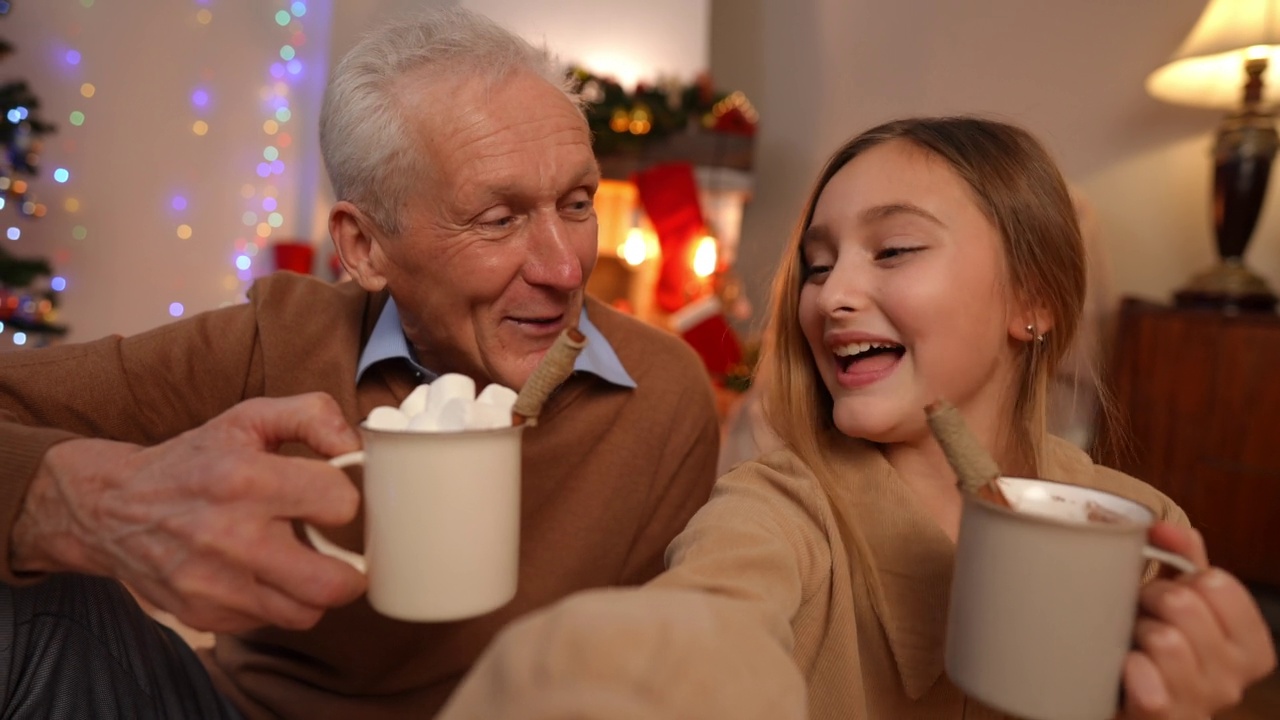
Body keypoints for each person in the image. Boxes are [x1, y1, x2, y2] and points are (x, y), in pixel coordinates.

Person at [0, 7, 719, 719]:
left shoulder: (661, 394)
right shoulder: (276, 342)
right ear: (365, 249)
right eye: (498, 220)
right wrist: (82, 502)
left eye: (577, 202)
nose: (566, 269)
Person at [435, 116, 1277, 720]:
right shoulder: (775, 514)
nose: (831, 295)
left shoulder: (1143, 529)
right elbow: (707, 616)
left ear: (1034, 300)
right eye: (817, 264)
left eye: (895, 249)